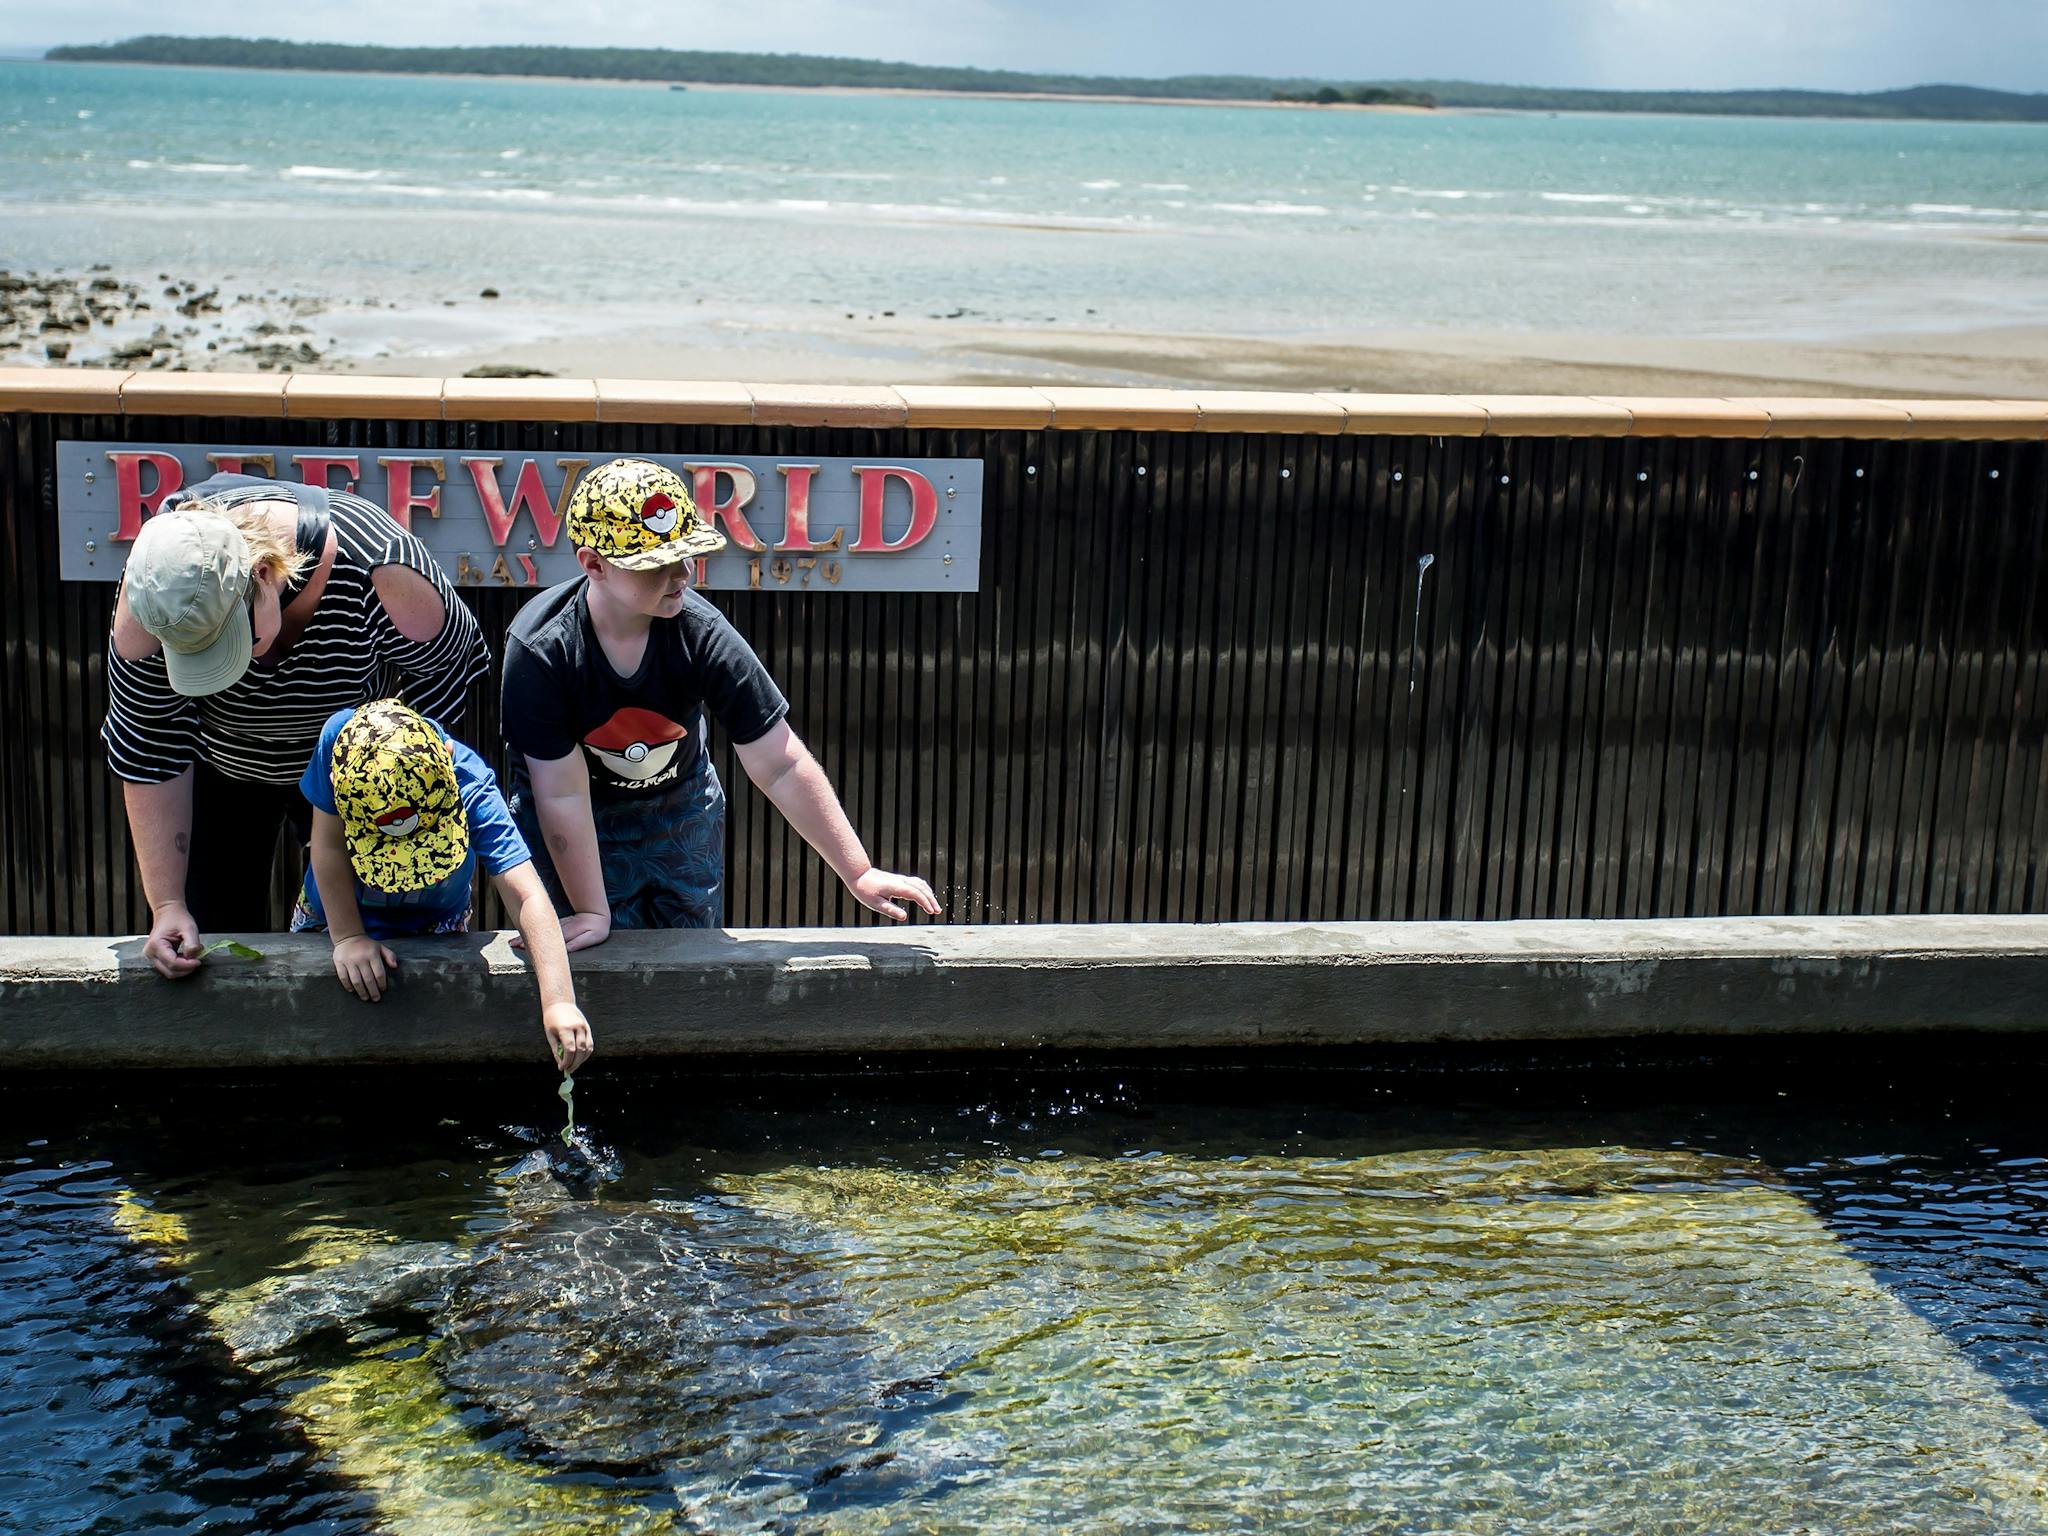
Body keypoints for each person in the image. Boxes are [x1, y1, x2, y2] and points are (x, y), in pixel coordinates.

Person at [500, 457, 939, 944]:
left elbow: (779, 762)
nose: (681, 574)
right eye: (656, 563)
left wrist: (857, 871)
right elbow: (560, 792)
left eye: (685, 555)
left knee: (693, 965)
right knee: (588, 953)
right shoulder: (541, 649)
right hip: (573, 818)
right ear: (593, 564)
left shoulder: (701, 632)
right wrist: (591, 910)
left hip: (678, 809)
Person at [102, 473, 488, 979]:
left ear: (263, 574)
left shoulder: (381, 566)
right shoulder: (149, 598)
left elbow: (450, 672)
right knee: (209, 945)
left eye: (231, 645)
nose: (228, 671)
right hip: (222, 768)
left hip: (354, 770)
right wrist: (167, 905)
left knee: (382, 947)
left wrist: (383, 772)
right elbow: (150, 746)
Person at [296, 698, 593, 1073]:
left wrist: (559, 1001)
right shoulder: (341, 748)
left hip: (438, 923)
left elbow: (527, 892)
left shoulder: (465, 780)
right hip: (335, 919)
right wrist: (347, 937)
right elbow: (328, 847)